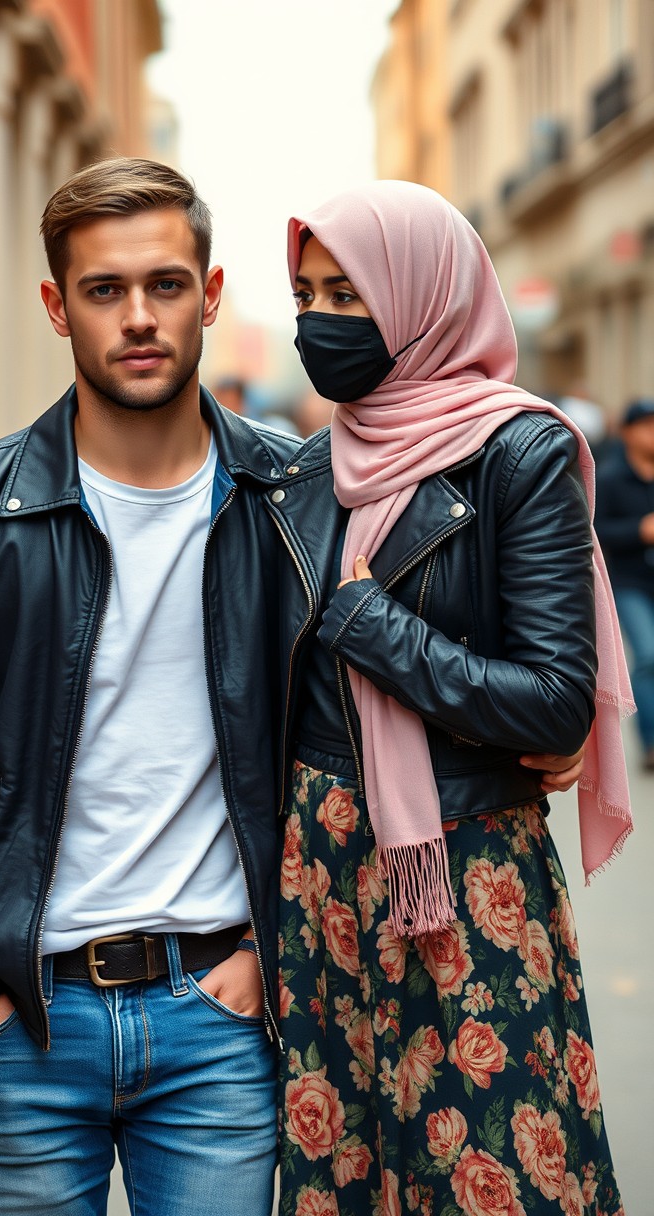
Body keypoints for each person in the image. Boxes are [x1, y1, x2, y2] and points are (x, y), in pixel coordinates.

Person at [0, 157, 308, 1216]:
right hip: (26, 1022)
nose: (138, 317)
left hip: (220, 1020)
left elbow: (362, 739)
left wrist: (264, 954)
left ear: (211, 293)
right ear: (57, 306)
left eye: (165, 285)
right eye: (103, 290)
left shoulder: (292, 501)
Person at [273, 181, 632, 1215]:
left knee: (495, 1178)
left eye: (348, 293)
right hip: (321, 879)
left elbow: (557, 702)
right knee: (344, 1173)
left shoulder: (520, 452)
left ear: (419, 297)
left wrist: (371, 625)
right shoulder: (300, 470)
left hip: (468, 870)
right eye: (304, 295)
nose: (317, 324)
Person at [595, 397, 654, 771]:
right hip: (631, 584)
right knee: (648, 657)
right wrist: (640, 531)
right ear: (628, 432)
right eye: (646, 425)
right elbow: (595, 532)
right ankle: (651, 743)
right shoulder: (610, 477)